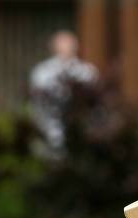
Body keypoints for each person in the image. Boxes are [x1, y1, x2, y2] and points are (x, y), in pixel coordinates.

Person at [29, 30, 98, 159]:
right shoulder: (42, 71)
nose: (66, 47)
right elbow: (38, 102)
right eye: (62, 44)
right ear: (53, 47)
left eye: (69, 44)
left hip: (80, 130)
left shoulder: (87, 72)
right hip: (49, 126)